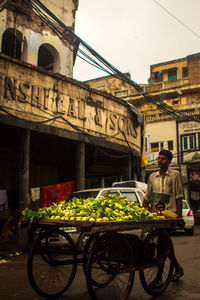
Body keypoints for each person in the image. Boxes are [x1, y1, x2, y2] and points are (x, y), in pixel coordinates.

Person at [143, 149, 184, 283]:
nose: (160, 160)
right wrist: (144, 210)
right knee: (166, 244)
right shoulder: (152, 176)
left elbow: (178, 195)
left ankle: (159, 278)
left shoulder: (175, 175)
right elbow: (148, 196)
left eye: (163, 158)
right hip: (156, 215)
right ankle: (178, 268)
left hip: (169, 215)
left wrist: (178, 216)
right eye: (159, 158)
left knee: (162, 244)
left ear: (169, 161)